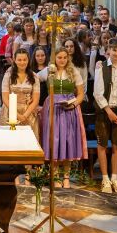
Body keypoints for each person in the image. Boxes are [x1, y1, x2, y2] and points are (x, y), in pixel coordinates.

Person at [38, 47, 86, 187]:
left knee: (67, 140)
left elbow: (81, 94)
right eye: (59, 57)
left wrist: (74, 104)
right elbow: (33, 78)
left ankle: (66, 176)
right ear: (54, 58)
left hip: (69, 110)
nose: (62, 60)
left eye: (65, 57)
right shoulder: (48, 71)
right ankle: (55, 176)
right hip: (52, 109)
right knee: (54, 141)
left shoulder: (73, 71)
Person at [93, 38, 117, 194]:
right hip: (104, 112)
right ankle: (105, 178)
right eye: (114, 50)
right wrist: (108, 111)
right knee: (102, 145)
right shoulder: (101, 67)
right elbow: (97, 93)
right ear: (108, 50)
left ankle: (114, 178)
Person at [0, 50, 40, 136]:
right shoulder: (8, 75)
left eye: (25, 60)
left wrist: (25, 115)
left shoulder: (34, 76)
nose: (22, 62)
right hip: (10, 111)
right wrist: (16, 114)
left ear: (28, 60)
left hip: (28, 112)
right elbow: (5, 97)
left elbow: (36, 99)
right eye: (19, 60)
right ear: (15, 60)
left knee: (28, 140)